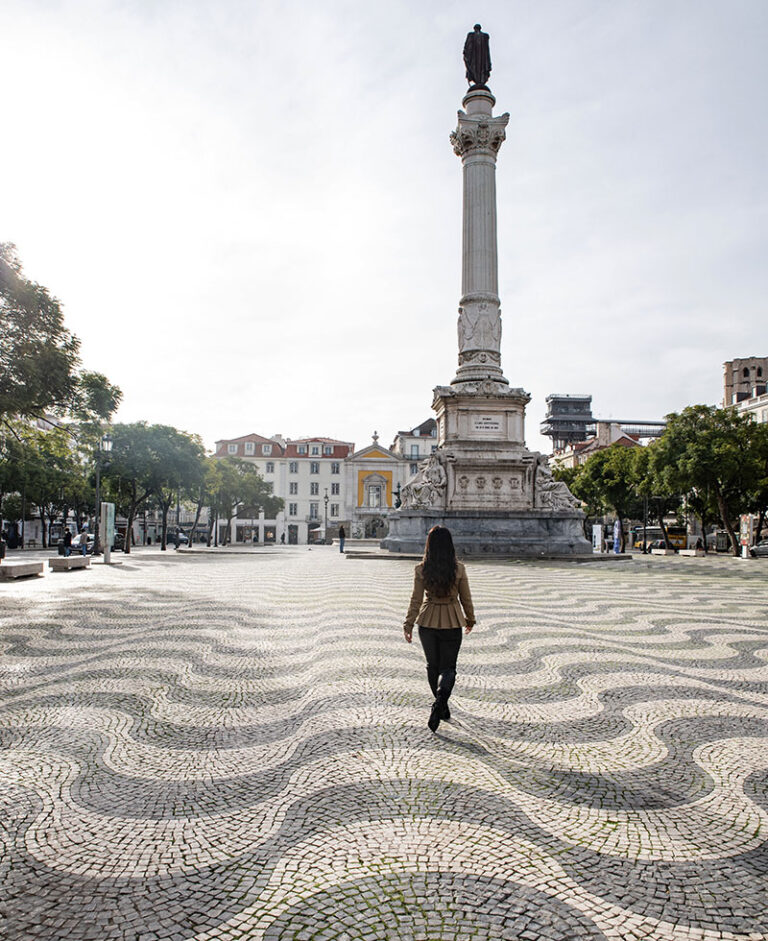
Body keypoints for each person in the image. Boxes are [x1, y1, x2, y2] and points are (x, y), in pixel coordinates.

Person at [403, 526, 475, 732]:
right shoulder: (459, 569)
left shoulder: (421, 569)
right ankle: (440, 705)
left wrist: (408, 624)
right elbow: (466, 598)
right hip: (452, 621)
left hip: (427, 621)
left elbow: (415, 600)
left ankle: (440, 705)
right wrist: (470, 619)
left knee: (432, 667)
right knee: (448, 668)